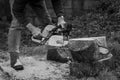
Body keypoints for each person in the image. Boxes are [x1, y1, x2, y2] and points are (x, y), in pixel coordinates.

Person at [8, 0, 66, 71]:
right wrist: (32, 28)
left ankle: (52, 53)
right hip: (17, 4)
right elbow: (17, 11)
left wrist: (60, 18)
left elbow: (56, 1)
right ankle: (14, 59)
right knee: (16, 23)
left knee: (47, 21)